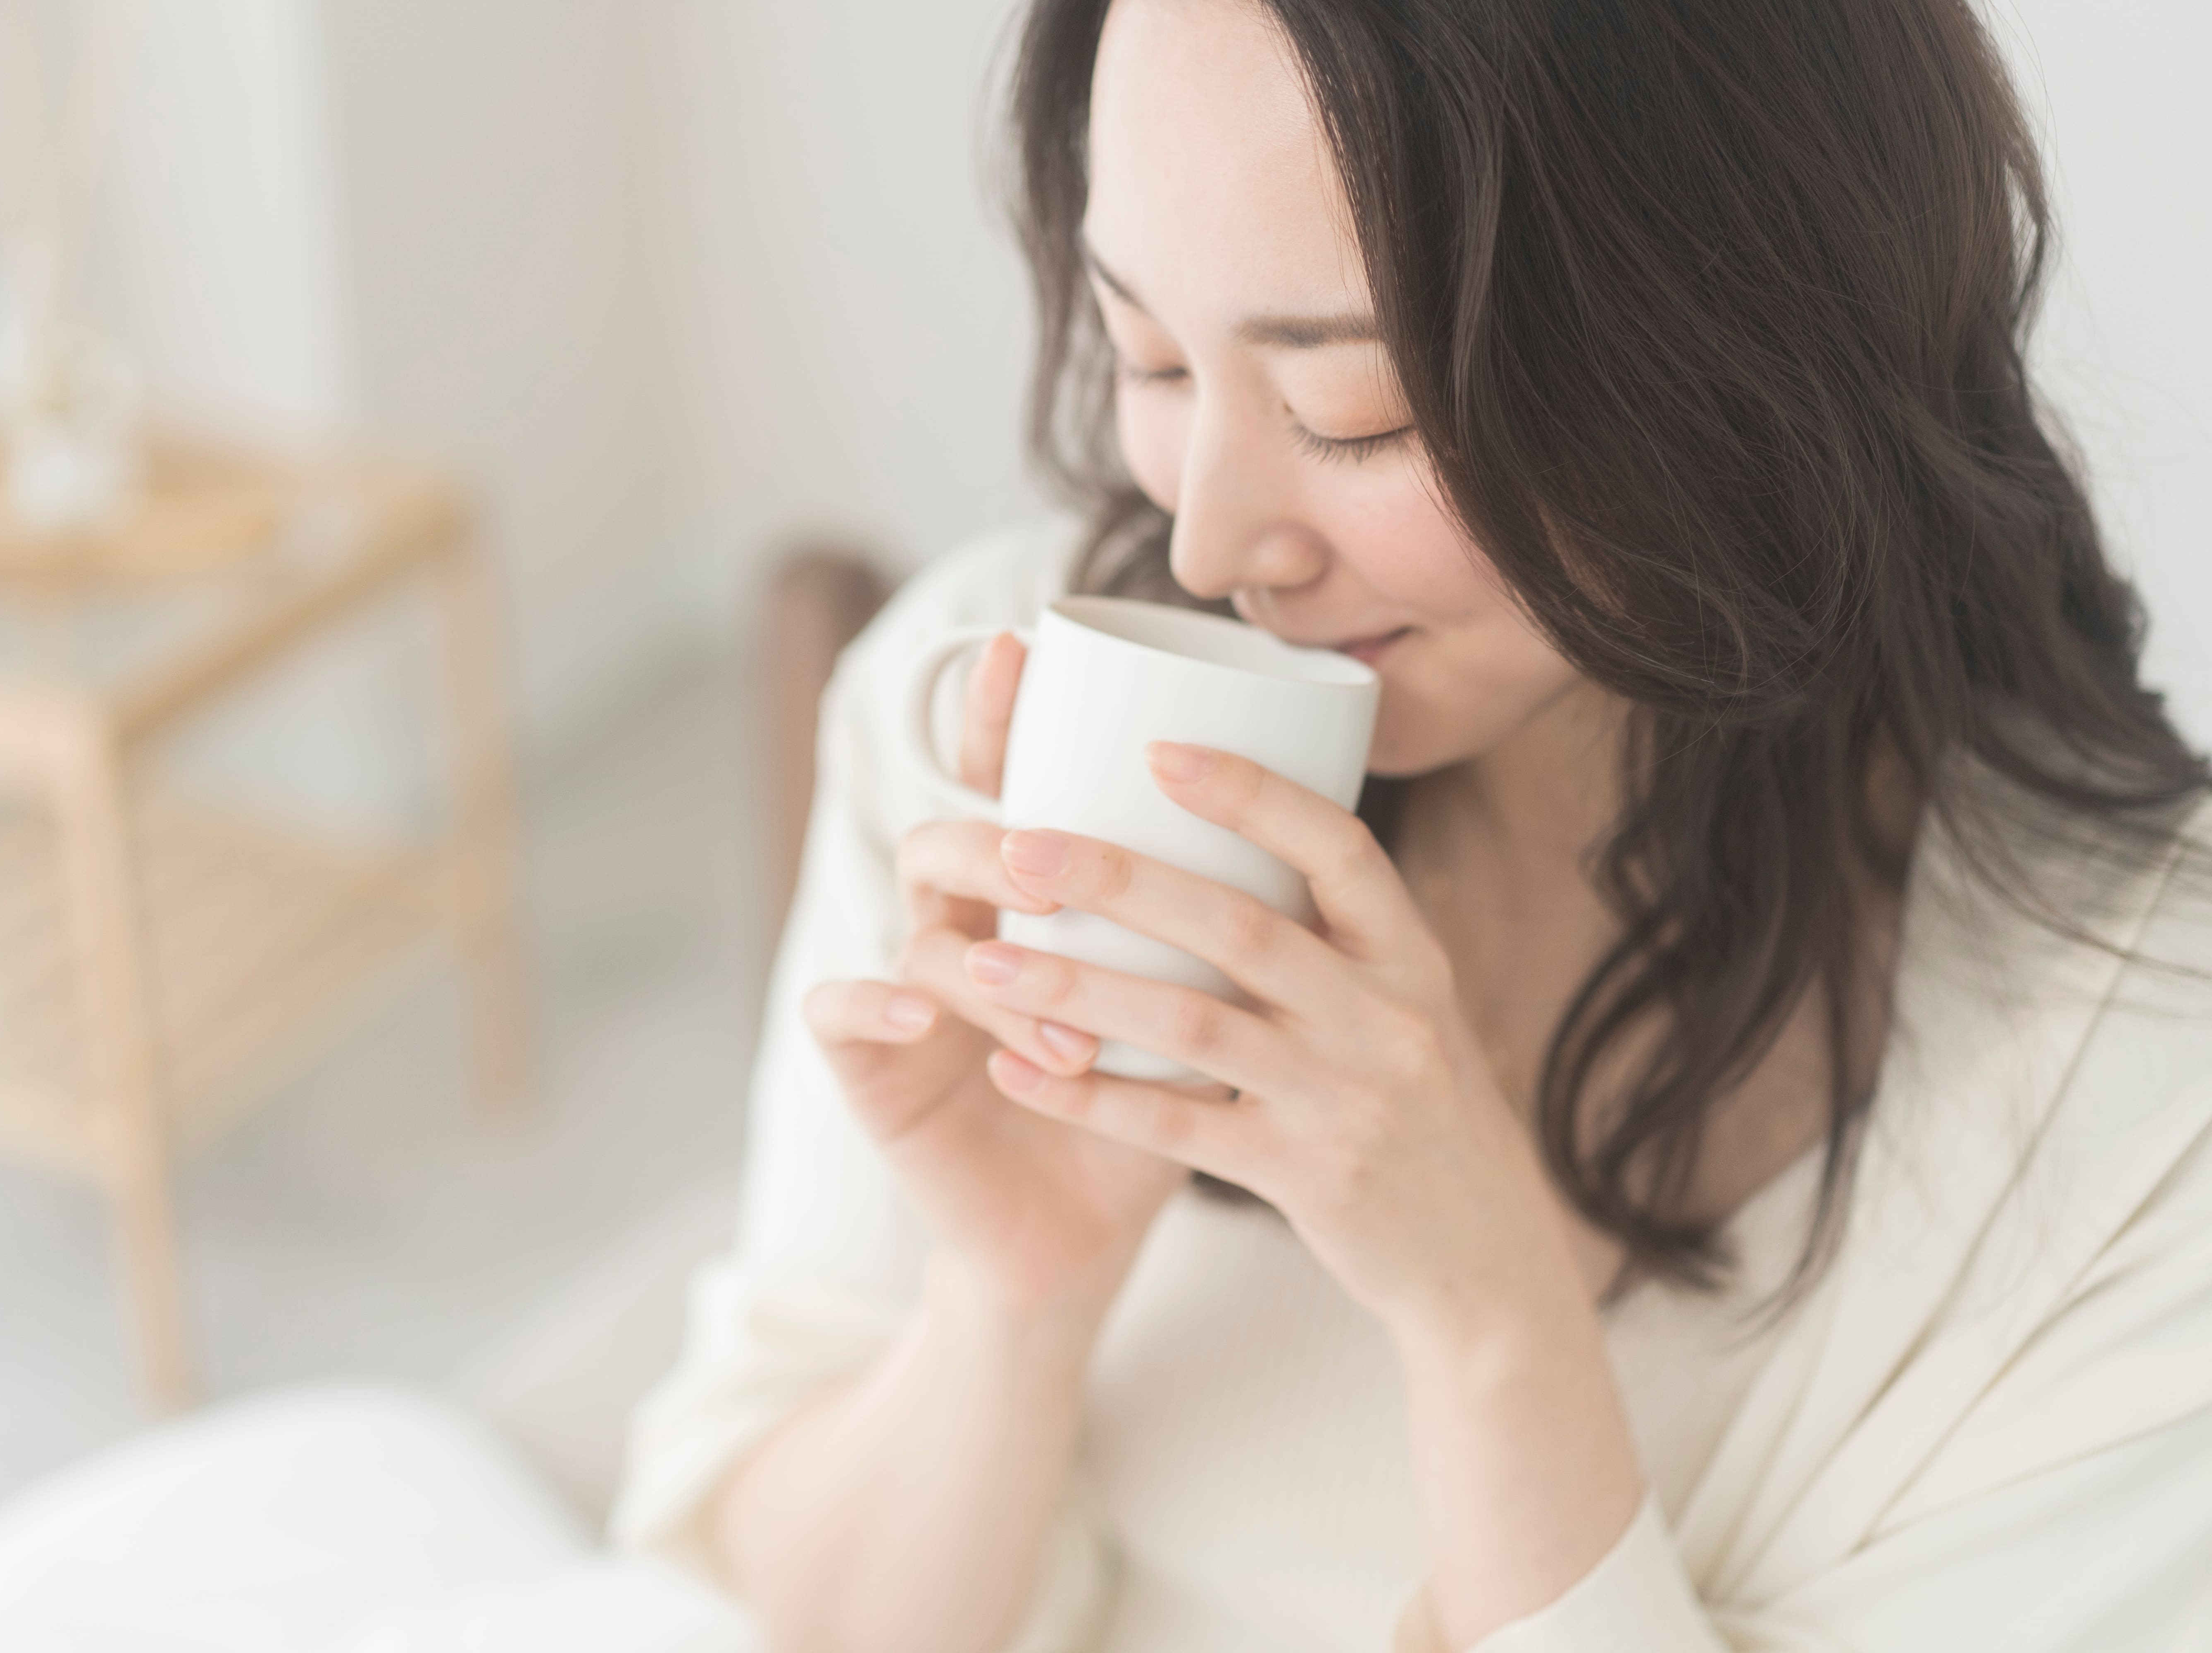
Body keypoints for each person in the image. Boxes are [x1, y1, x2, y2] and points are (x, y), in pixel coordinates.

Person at [609, 1, 2212, 1649]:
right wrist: (1014, 1298)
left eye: (1359, 411)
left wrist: (1489, 1327)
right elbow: (801, 1615)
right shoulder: (1010, 720)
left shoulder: (2146, 1108)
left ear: (1747, 346)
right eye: (1153, 357)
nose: (1217, 539)